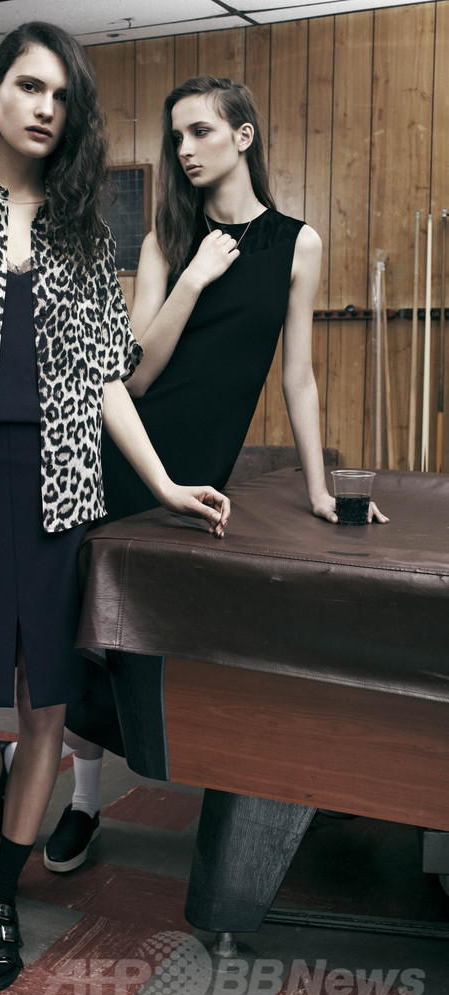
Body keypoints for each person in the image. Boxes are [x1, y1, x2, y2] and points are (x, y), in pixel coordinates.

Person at [0, 27, 229, 995]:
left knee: (45, 705)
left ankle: (0, 891)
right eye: (30, 86)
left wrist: (162, 483)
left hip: (58, 494)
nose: (45, 108)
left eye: (63, 96)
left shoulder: (81, 230)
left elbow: (106, 380)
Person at [42, 74, 389, 874]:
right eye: (176, 137)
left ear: (243, 136)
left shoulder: (297, 243)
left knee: (163, 637)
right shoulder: (167, 238)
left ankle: (243, 779)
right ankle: (84, 801)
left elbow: (297, 376)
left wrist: (318, 488)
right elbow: (132, 376)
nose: (185, 149)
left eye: (199, 131)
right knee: (87, 633)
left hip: (198, 470)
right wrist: (193, 277)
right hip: (121, 460)